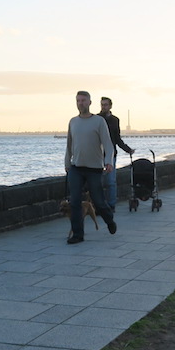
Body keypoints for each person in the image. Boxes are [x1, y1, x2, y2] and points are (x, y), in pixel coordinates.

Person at [65, 91, 117, 244]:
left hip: (94, 168)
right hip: (76, 167)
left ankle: (109, 220)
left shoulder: (99, 121)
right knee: (74, 201)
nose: (80, 103)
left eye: (83, 100)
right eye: (78, 101)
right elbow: (69, 145)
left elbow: (108, 144)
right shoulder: (73, 122)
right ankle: (78, 234)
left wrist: (109, 162)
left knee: (98, 200)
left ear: (89, 102)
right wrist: (67, 163)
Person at [97, 96, 134, 210]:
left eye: (106, 105)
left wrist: (128, 149)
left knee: (111, 181)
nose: (104, 107)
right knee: (97, 182)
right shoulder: (96, 118)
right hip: (97, 154)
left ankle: (111, 205)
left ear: (110, 106)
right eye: (102, 105)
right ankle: (99, 205)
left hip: (110, 153)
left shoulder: (115, 120)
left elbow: (117, 138)